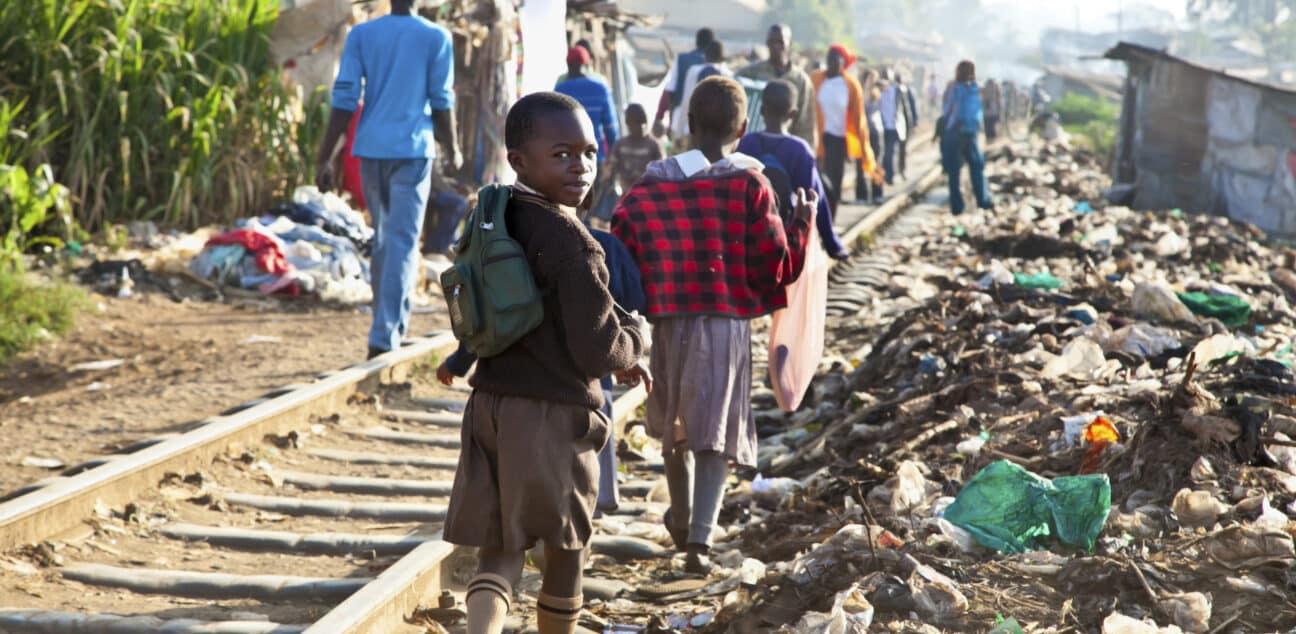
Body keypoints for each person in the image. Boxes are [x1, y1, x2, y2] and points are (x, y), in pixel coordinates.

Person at [441, 92, 650, 634]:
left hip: (490, 407)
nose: (579, 167)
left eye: (587, 153)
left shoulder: (495, 214)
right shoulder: (572, 241)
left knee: (501, 551)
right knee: (565, 550)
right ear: (520, 159)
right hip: (551, 416)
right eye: (561, 154)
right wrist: (636, 342)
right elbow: (596, 348)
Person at [613, 77, 814, 574]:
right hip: (724, 324)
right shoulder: (751, 184)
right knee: (714, 432)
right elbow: (776, 264)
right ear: (743, 129)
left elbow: (621, 241)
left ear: (687, 123)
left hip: (667, 322)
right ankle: (698, 541)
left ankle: (680, 520)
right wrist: (802, 224)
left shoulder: (653, 182)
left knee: (677, 424)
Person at [315, 0, 460, 360]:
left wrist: (324, 156)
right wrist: (453, 147)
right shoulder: (436, 37)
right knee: (401, 242)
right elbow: (441, 100)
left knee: (384, 239)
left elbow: (345, 97)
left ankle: (386, 323)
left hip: (371, 149)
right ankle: (385, 334)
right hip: (412, 151)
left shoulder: (362, 34)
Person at [737, 80, 846, 260]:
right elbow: (815, 199)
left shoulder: (747, 143)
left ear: (762, 110)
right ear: (793, 114)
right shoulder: (799, 149)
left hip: (747, 233)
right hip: (784, 235)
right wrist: (832, 243)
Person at [811, 44, 880, 215]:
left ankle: (830, 220)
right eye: (829, 58)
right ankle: (817, 222)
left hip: (837, 141)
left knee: (833, 185)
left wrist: (864, 147)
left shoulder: (850, 86)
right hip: (817, 140)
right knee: (815, 183)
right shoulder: (815, 79)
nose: (831, 62)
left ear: (843, 62)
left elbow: (859, 119)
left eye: (835, 59)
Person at [737, 24, 818, 149]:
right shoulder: (750, 73)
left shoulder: (801, 80)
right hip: (755, 145)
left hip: (787, 148)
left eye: (780, 41)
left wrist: (807, 152)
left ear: (789, 44)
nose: (775, 46)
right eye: (771, 41)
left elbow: (806, 122)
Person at [940, 60, 992, 215]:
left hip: (954, 132)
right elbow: (980, 112)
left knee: (953, 171)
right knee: (977, 168)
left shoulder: (953, 87)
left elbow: (946, 109)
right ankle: (983, 201)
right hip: (971, 133)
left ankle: (957, 207)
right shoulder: (976, 89)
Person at [555, 46, 619, 162]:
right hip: (594, 155)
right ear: (586, 65)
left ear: (568, 65)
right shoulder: (600, 89)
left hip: (567, 159)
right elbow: (611, 127)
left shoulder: (559, 90)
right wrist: (612, 156)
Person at [654, 28, 715, 140]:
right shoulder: (717, 67)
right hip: (706, 129)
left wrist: (659, 116)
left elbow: (669, 90)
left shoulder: (682, 59)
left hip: (679, 122)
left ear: (696, 42)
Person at [672, 40, 732, 147]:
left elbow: (687, 102)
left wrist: (679, 134)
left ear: (705, 56)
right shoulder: (728, 75)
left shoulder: (694, 71)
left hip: (694, 131)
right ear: (722, 57)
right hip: (717, 135)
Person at [606, 104, 665, 196]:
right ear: (628, 123)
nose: (640, 126)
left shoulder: (653, 146)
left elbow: (662, 173)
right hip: (626, 195)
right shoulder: (620, 145)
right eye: (635, 123)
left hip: (648, 195)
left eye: (641, 122)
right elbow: (611, 171)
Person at [894, 71, 919, 179]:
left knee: (902, 148)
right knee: (899, 148)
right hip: (899, 123)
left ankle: (901, 169)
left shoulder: (907, 91)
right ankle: (898, 170)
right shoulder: (894, 91)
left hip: (904, 123)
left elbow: (911, 107)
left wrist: (914, 122)